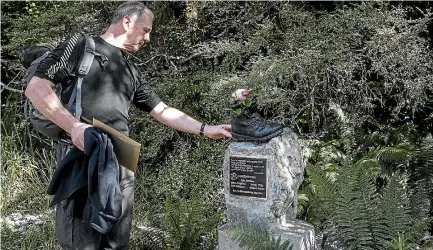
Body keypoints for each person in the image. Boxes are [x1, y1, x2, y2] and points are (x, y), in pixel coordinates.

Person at [24, 2, 232, 249]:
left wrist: (205, 129)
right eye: (145, 30)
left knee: (116, 243)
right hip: (82, 160)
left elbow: (163, 111)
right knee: (82, 243)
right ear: (127, 22)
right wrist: (75, 127)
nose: (148, 38)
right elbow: (36, 88)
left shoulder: (131, 71)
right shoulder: (81, 45)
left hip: (121, 166)